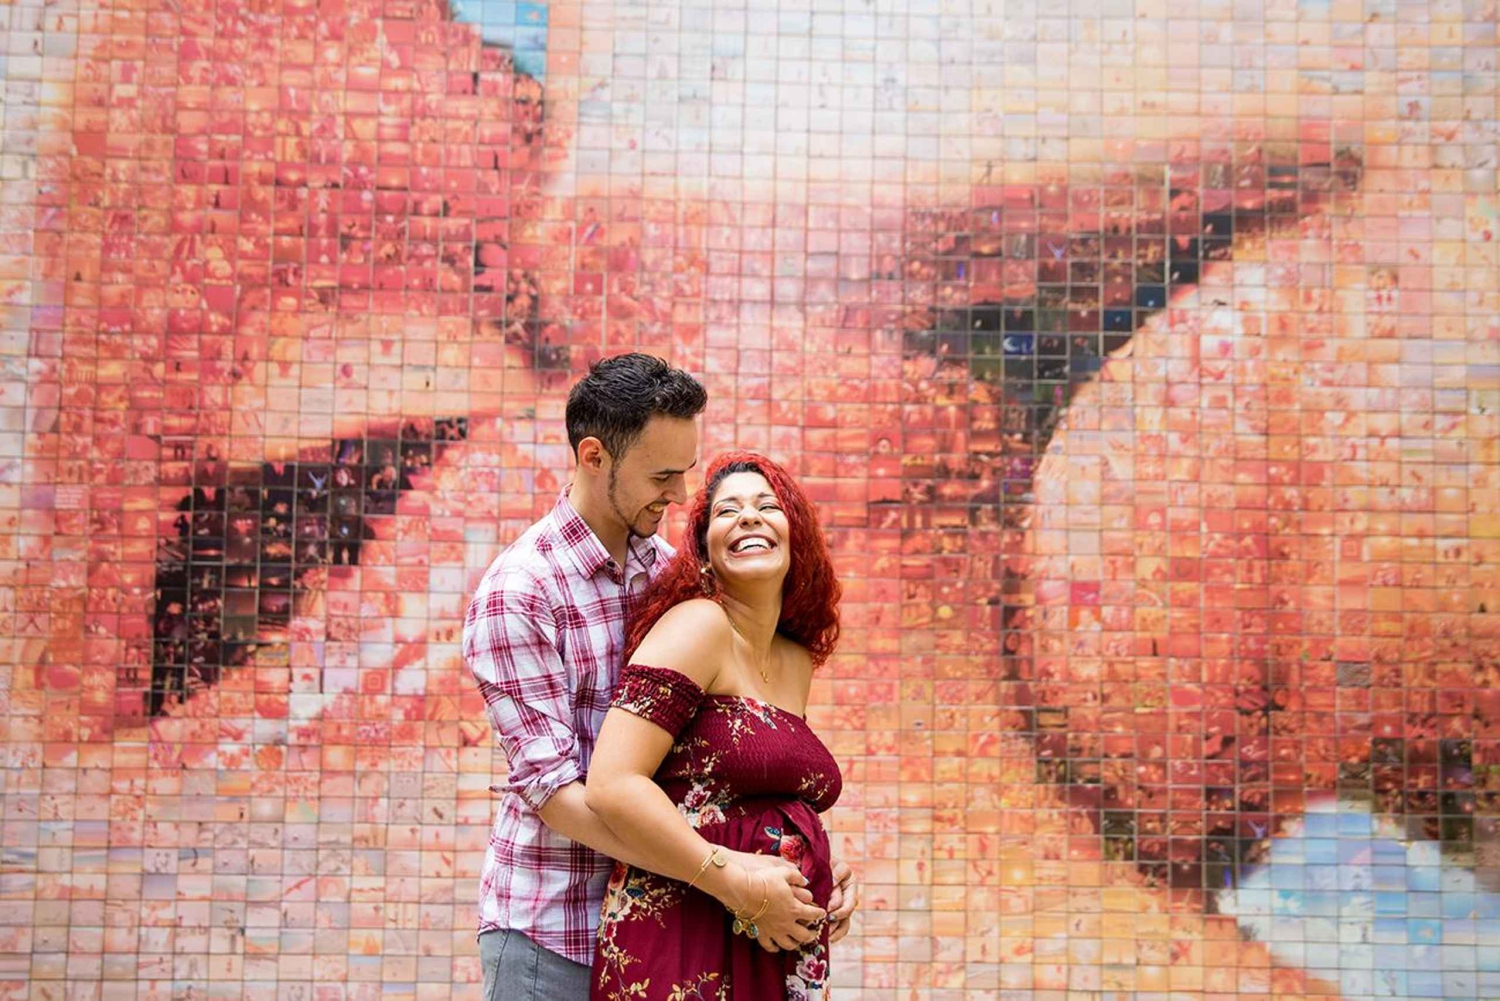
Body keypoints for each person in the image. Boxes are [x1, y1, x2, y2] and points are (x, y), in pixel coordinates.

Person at [463, 361, 856, 999]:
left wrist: (800, 866)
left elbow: (727, 767)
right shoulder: (520, 592)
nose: (679, 495)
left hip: (679, 922)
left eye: (685, 471)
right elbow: (557, 793)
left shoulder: (671, 572)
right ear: (594, 457)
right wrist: (729, 875)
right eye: (662, 475)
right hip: (555, 929)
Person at [584, 451, 846, 1001]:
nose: (748, 516)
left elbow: (765, 799)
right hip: (685, 929)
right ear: (703, 554)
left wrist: (826, 872)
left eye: (767, 506)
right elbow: (612, 784)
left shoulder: (796, 660)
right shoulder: (698, 625)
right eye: (728, 511)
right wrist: (734, 878)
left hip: (771, 943)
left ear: (797, 538)